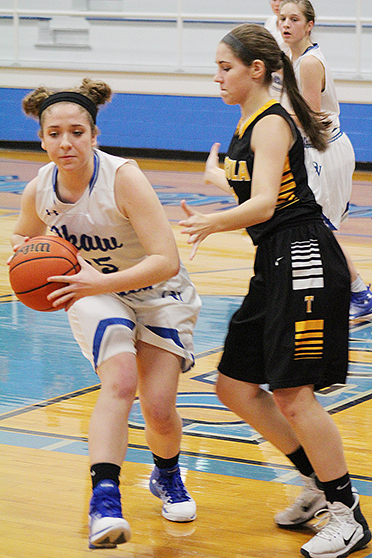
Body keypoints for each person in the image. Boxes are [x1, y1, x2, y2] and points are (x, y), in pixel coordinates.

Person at [179, 23, 371, 558]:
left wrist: (211, 223)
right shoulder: (249, 123)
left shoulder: (270, 122)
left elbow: (265, 203)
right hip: (276, 261)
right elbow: (264, 185)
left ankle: (348, 514)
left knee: (292, 393)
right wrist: (219, 178)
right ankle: (317, 486)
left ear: (255, 69)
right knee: (234, 387)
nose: (217, 76)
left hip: (305, 259)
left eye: (225, 67)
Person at [10, 78, 201, 549]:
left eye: (76, 132)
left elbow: (166, 259)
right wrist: (33, 257)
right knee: (119, 381)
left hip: (156, 292)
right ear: (41, 138)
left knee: (158, 410)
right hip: (94, 292)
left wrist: (98, 280)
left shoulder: (124, 179)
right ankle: (105, 501)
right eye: (54, 133)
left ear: (95, 135)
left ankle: (167, 474)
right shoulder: (40, 187)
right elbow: (20, 238)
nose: (65, 142)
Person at [278, 0, 372, 320]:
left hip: (324, 151)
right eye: (282, 18)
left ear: (309, 25)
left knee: (316, 230)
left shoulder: (308, 63)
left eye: (294, 19)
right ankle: (353, 292)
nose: (286, 24)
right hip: (317, 150)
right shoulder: (291, 58)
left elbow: (309, 117)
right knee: (316, 230)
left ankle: (358, 292)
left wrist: (268, 120)